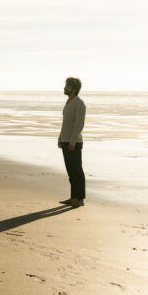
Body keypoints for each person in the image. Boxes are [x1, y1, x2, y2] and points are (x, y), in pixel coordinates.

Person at [58, 76, 86, 206]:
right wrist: (60, 138)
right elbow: (66, 123)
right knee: (70, 171)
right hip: (65, 141)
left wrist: (72, 142)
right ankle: (73, 197)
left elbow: (79, 125)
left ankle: (79, 199)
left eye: (67, 86)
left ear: (73, 89)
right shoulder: (68, 102)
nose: (64, 88)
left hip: (74, 143)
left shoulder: (79, 103)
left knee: (76, 171)